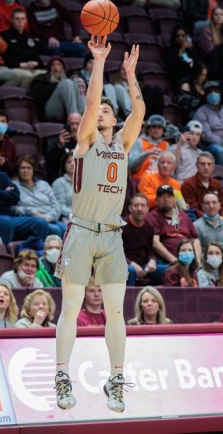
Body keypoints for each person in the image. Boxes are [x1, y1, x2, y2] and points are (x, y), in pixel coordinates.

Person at [53, 36, 144, 412]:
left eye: (108, 109)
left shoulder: (121, 145)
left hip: (111, 234)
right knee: (72, 306)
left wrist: (131, 74)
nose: (103, 110)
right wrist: (99, 62)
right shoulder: (86, 141)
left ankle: (117, 381)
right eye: (101, 109)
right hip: (82, 229)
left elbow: (138, 113)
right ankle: (61, 377)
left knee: (117, 311)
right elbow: (91, 101)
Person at [12, 154, 66, 237]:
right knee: (56, 230)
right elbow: (14, 208)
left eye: (29, 167)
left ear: (33, 170)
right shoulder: (14, 186)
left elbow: (56, 205)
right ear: (18, 170)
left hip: (49, 218)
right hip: (32, 219)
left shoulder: (43, 184)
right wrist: (31, 212)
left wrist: (48, 217)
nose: (25, 170)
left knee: (66, 229)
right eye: (22, 168)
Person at [122, 194, 160, 286]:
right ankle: (130, 299)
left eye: (143, 205)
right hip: (125, 264)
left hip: (144, 266)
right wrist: (132, 264)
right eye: (136, 205)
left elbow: (150, 252)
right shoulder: (121, 226)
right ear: (130, 208)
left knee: (168, 269)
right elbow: (115, 253)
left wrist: (152, 260)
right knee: (131, 271)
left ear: (147, 209)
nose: (139, 209)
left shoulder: (149, 227)